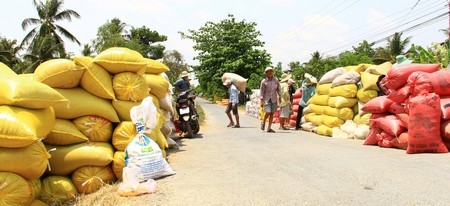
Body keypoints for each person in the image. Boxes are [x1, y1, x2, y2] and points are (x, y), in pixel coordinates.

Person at [260, 66, 281, 133]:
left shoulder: (276, 80)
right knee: (268, 112)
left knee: (272, 113)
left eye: (271, 71)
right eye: (268, 71)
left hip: (274, 99)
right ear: (266, 73)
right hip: (267, 99)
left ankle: (269, 128)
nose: (270, 72)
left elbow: (278, 89)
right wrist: (261, 100)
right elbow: (262, 91)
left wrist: (280, 96)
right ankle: (263, 122)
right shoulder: (264, 81)